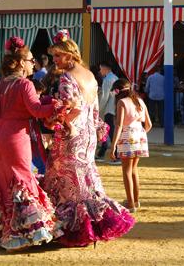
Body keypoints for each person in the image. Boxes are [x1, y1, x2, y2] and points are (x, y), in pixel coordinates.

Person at [42, 30, 134, 247]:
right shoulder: (91, 76)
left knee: (66, 181)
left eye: (58, 56)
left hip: (71, 135)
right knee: (86, 179)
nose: (55, 60)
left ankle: (73, 229)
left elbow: (68, 110)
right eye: (53, 56)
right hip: (88, 135)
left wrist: (51, 121)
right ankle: (94, 223)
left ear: (70, 55)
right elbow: (93, 110)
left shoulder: (67, 77)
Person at [0, 36, 63, 251]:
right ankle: (22, 234)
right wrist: (58, 105)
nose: (33, 63)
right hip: (15, 137)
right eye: (31, 60)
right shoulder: (24, 84)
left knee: (2, 180)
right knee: (21, 180)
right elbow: (36, 111)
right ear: (22, 63)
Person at [108, 78, 152, 213]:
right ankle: (136, 200)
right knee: (133, 170)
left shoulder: (122, 102)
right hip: (140, 135)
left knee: (126, 171)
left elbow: (119, 125)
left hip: (127, 135)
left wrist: (113, 146)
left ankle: (130, 203)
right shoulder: (139, 100)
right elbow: (149, 124)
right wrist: (140, 133)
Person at [97, 61, 118, 162]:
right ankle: (102, 151)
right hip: (113, 107)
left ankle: (116, 154)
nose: (100, 71)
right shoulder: (114, 77)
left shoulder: (107, 79)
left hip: (109, 108)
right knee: (108, 130)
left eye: (101, 69)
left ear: (105, 69)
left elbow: (105, 97)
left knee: (110, 131)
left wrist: (98, 109)